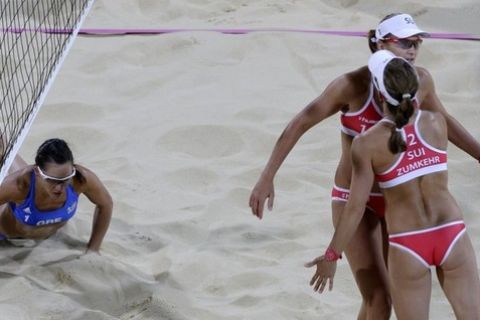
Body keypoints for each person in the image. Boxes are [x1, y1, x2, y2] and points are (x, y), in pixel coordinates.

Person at [249, 13, 480, 319]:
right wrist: (267, 176)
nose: (412, 50)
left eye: (417, 43)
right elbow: (300, 123)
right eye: (405, 43)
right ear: (382, 44)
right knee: (378, 299)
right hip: (356, 199)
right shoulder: (351, 85)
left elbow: (446, 121)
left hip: (397, 201)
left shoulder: (417, 82)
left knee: (392, 298)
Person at [305, 50, 480, 319]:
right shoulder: (437, 124)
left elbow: (355, 207)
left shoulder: (367, 144)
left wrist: (331, 256)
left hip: (409, 244)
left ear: (378, 95)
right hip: (451, 233)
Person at [0, 138, 113, 253]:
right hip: (7, 238)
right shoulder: (18, 186)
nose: (59, 188)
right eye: (52, 180)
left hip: (43, 237)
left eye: (65, 179)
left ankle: (3, 145)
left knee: (13, 159)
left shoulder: (80, 179)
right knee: (20, 173)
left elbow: (106, 204)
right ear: (38, 172)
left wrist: (93, 249)